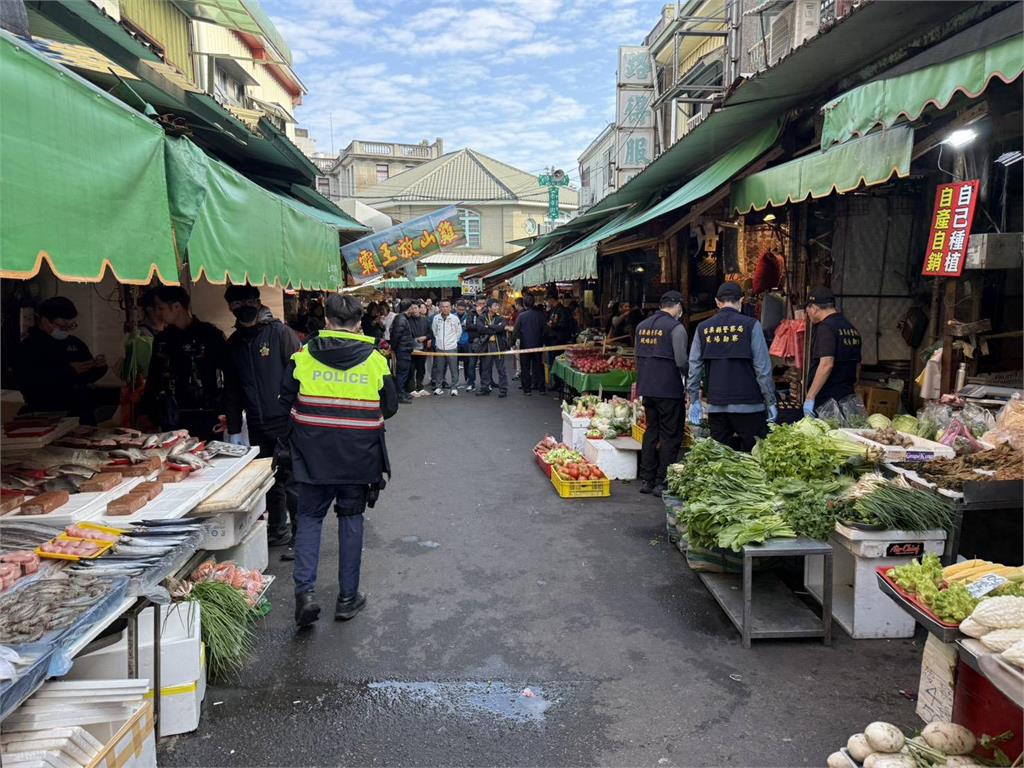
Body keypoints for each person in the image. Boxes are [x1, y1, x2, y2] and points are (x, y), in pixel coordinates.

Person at [279, 294, 399, 628]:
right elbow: (390, 406)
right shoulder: (375, 360)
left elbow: (284, 398)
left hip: (311, 456)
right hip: (359, 457)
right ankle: (347, 599)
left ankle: (305, 595)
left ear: (327, 321)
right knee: (351, 519)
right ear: (359, 323)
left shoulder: (303, 357)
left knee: (309, 519)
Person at [222, 284, 301, 551]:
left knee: (292, 480)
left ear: (258, 302)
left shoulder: (279, 333)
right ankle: (277, 530)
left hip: (286, 421)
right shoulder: (233, 344)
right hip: (256, 423)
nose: (242, 309)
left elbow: (299, 375)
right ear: (230, 308)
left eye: (247, 302)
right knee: (268, 481)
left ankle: (301, 538)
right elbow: (231, 390)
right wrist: (234, 430)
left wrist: (298, 415)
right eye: (235, 305)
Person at [687, 282, 777, 453]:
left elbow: (694, 367)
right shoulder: (751, 325)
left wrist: (694, 399)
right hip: (750, 406)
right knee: (755, 459)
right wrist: (770, 400)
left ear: (717, 302)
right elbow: (762, 368)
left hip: (717, 406)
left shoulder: (703, 328)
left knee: (721, 462)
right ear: (741, 300)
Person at [140, 285, 228, 442]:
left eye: (161, 308)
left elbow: (229, 374)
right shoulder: (163, 339)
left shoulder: (210, 335)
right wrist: (145, 412)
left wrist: (228, 410)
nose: (158, 313)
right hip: (171, 417)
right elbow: (154, 377)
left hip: (207, 415)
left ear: (176, 306)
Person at [14, 297, 108, 424]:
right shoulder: (29, 347)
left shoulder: (75, 343)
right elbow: (29, 382)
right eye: (62, 326)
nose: (66, 331)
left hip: (81, 412)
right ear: (45, 320)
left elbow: (88, 376)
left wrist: (99, 367)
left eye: (71, 326)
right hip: (47, 413)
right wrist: (69, 371)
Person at [635, 292, 689, 496]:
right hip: (669, 389)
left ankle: (646, 479)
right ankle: (662, 481)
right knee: (670, 435)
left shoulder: (641, 327)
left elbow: (637, 355)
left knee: (651, 432)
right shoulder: (676, 328)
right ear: (676, 306)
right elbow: (682, 360)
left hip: (647, 388)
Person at [804, 286, 862, 418]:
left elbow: (826, 364)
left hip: (828, 401)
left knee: (827, 436)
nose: (807, 314)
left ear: (814, 308)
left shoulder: (826, 328)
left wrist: (810, 397)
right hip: (847, 398)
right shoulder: (851, 328)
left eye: (807, 309)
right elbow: (858, 365)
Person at [511, 293, 546, 396]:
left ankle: (527, 389)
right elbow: (545, 330)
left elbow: (516, 331)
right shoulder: (540, 315)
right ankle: (541, 388)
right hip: (537, 344)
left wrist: (512, 343)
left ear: (525, 304)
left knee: (525, 367)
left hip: (525, 345)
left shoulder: (521, 316)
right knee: (538, 366)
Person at [475, 298, 510, 397]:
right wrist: (495, 328)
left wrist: (489, 326)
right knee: (485, 368)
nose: (497, 307)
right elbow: (480, 329)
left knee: (501, 369)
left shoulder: (500, 318)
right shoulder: (482, 317)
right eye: (495, 305)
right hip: (486, 346)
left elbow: (502, 327)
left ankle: (503, 390)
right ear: (489, 307)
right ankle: (484, 388)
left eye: (498, 305)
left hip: (498, 345)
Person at [430, 300, 461, 396]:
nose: (445, 308)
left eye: (447, 306)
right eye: (443, 306)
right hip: (439, 348)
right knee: (439, 369)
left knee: (453, 368)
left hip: (451, 347)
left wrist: (453, 342)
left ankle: (454, 387)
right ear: (439, 308)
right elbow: (434, 331)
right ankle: (438, 387)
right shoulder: (436, 318)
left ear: (450, 307)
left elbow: (458, 332)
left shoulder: (455, 318)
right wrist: (439, 341)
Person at [389, 299, 416, 404]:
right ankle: (399, 394)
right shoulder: (401, 319)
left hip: (404, 349)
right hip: (402, 350)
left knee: (403, 373)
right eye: (412, 308)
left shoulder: (402, 318)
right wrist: (394, 348)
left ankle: (401, 392)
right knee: (401, 373)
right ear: (408, 308)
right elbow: (396, 336)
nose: (413, 310)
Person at [408, 301, 431, 396]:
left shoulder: (425, 320)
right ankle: (411, 388)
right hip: (411, 348)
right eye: (412, 308)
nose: (414, 310)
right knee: (411, 368)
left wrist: (425, 337)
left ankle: (420, 386)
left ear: (420, 309)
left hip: (422, 348)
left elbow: (431, 333)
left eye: (416, 308)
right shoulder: (407, 320)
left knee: (421, 368)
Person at [455, 300, 476, 391]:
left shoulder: (469, 316)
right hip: (455, 343)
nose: (461, 311)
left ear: (465, 309)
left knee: (468, 363)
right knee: (454, 364)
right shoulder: (452, 316)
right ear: (456, 308)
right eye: (459, 309)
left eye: (462, 310)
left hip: (466, 342)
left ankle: (468, 381)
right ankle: (455, 382)